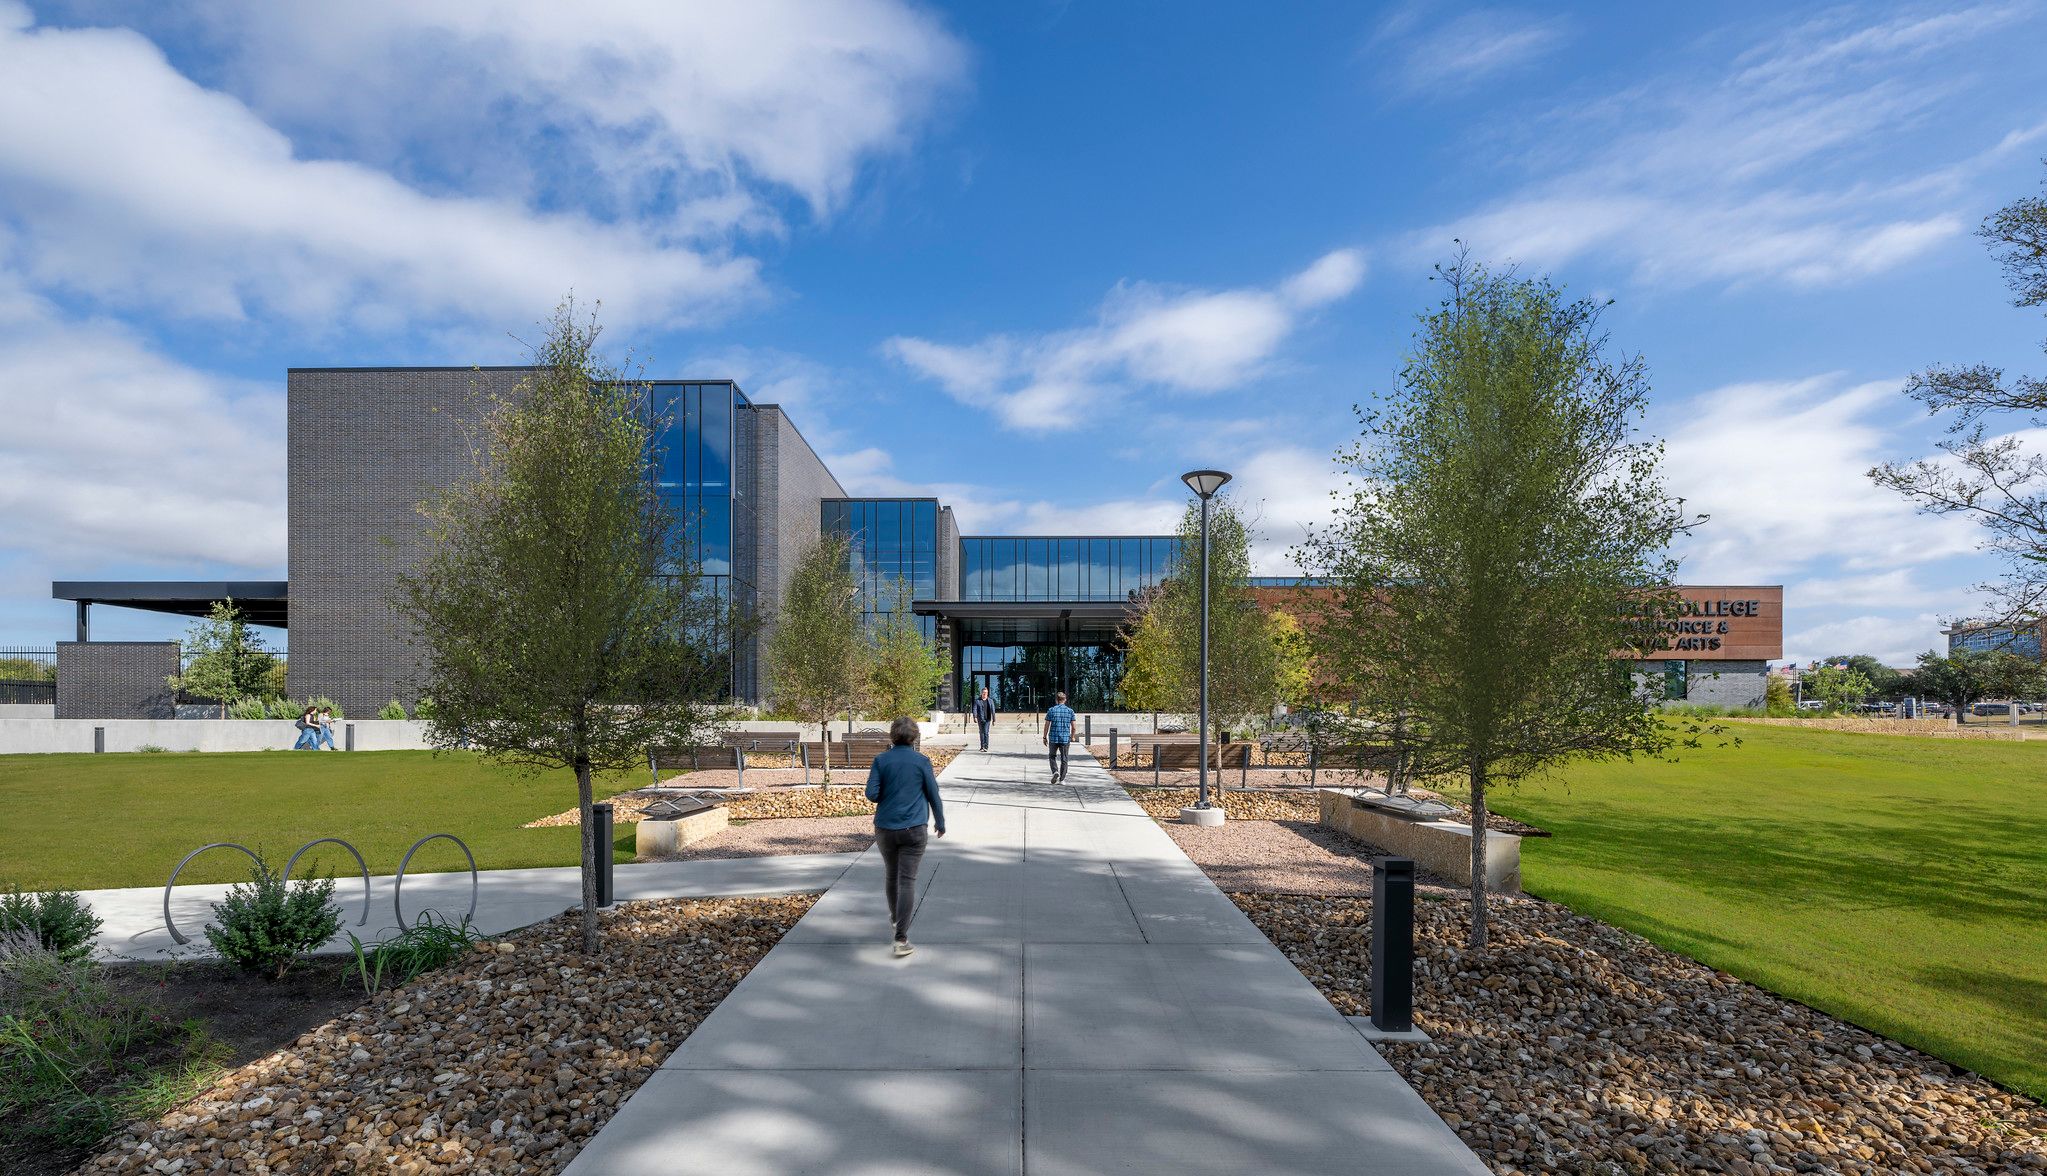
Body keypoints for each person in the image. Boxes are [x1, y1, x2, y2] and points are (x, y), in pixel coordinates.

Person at [864, 716, 945, 957]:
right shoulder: (922, 761)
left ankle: (895, 917)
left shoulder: (881, 760)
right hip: (914, 828)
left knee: (892, 873)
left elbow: (872, 793)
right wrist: (940, 821)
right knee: (907, 879)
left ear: (892, 736)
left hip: (886, 828)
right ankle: (901, 938)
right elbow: (933, 794)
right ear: (914, 737)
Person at [1043, 691, 1076, 783]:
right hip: (1065, 738)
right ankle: (1062, 779)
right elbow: (1074, 727)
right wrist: (1072, 737)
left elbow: (1047, 725)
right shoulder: (1070, 711)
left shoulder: (1051, 710)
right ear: (1065, 700)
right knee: (1064, 759)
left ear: (1056, 700)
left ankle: (1055, 771)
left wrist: (1044, 737)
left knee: (1052, 756)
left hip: (1053, 737)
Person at [971, 686, 996, 752]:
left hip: (987, 719)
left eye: (986, 692)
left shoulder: (990, 701)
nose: (985, 694)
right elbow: (974, 709)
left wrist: (994, 720)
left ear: (987, 693)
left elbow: (993, 710)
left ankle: (986, 747)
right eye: (984, 692)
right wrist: (975, 717)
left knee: (986, 732)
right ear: (981, 693)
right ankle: (982, 746)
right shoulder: (977, 701)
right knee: (981, 733)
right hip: (980, 719)